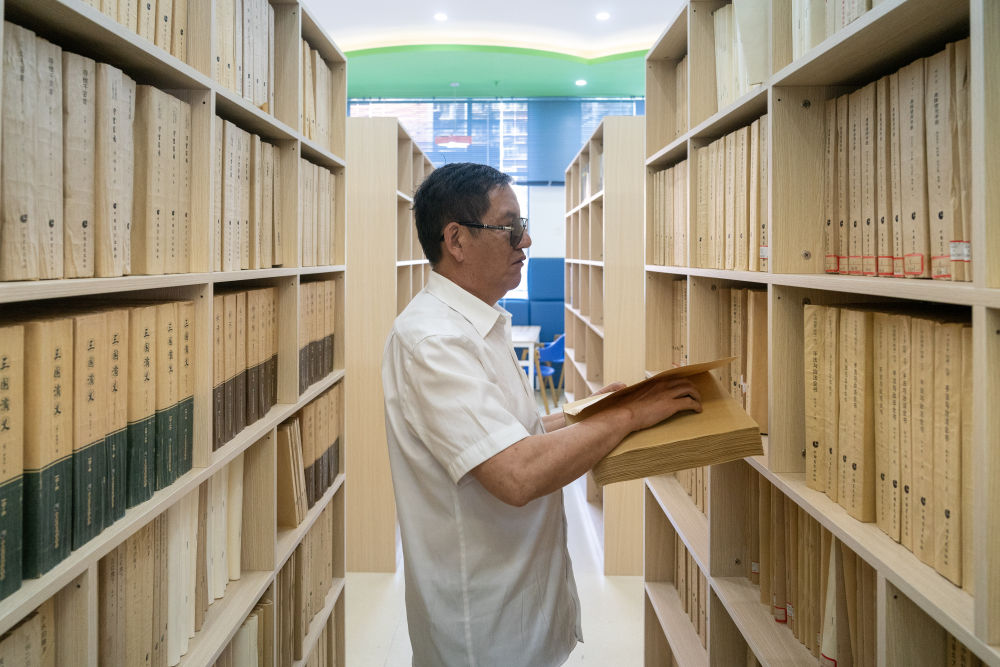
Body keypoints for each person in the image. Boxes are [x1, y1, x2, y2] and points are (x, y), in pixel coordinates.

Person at [381, 162, 702, 666]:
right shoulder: (434, 341)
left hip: (522, 612)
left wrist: (588, 415)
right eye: (509, 228)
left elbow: (512, 434)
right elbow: (516, 473)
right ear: (457, 240)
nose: (526, 241)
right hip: (484, 634)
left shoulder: (477, 322)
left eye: (523, 226)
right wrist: (628, 418)